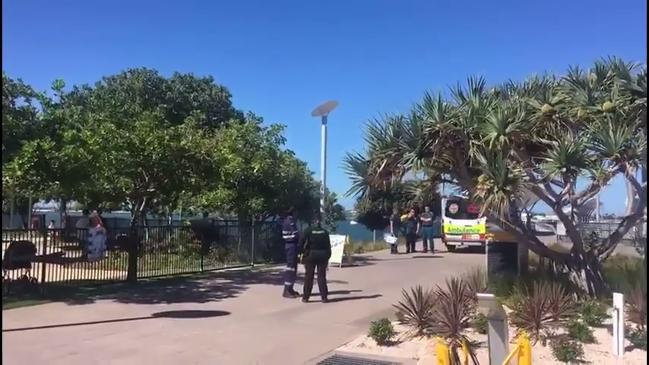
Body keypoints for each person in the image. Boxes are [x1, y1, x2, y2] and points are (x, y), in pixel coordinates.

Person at [299, 214, 331, 303]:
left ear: (312, 221)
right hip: (322, 255)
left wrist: (301, 253)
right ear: (320, 221)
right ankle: (324, 297)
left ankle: (305, 297)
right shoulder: (325, 232)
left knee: (309, 277)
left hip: (310, 255)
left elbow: (301, 243)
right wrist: (327, 257)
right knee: (321, 277)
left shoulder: (308, 231)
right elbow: (328, 246)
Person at [281, 207, 300, 298]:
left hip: (291, 245)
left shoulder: (287, 220)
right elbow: (296, 234)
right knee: (291, 268)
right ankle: (286, 290)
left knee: (293, 268)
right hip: (291, 246)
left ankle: (290, 288)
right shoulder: (290, 221)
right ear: (293, 212)